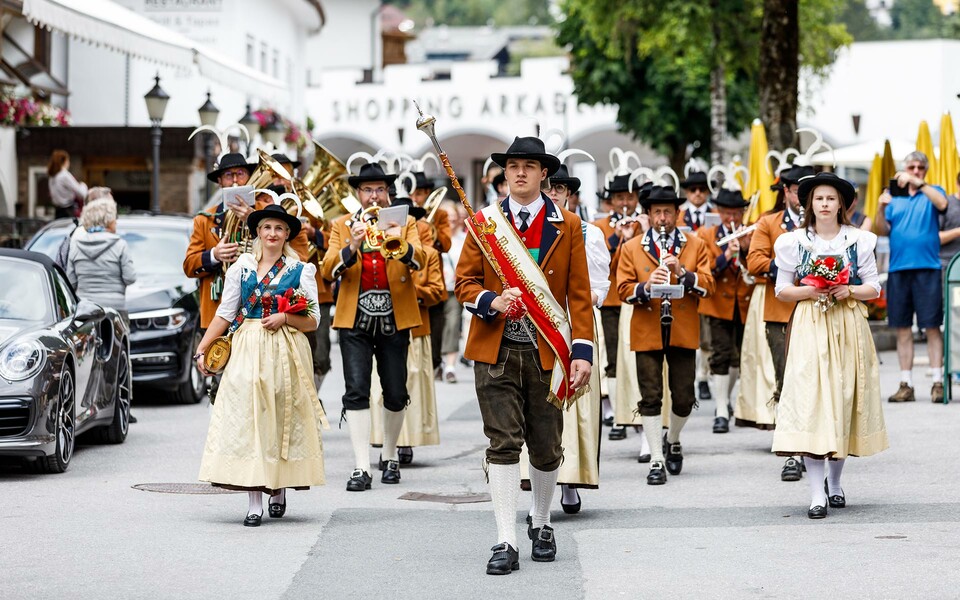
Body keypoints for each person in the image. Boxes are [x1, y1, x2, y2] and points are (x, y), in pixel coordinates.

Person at [455, 137, 593, 575]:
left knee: (547, 446)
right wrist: (491, 301)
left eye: (528, 166)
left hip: (548, 351)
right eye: (512, 166)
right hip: (496, 347)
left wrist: (582, 351)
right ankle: (505, 538)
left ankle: (542, 520)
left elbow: (580, 295)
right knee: (502, 443)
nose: (519, 173)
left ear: (542, 174)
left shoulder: (567, 224)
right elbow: (463, 283)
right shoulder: (484, 223)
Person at [195, 203, 327, 526]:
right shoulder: (241, 268)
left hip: (286, 349)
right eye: (267, 227)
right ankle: (255, 501)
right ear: (258, 232)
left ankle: (279, 485)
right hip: (247, 347)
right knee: (249, 416)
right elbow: (225, 313)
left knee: (281, 415)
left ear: (286, 236)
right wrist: (203, 347)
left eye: (279, 229)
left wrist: (285, 317)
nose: (272, 234)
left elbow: (314, 321)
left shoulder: (301, 270)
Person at [771, 172, 887, 519]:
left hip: (847, 323)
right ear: (810, 204)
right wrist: (811, 289)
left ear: (841, 205)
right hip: (810, 323)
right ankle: (815, 492)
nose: (824, 204)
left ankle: (835, 484)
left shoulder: (859, 240)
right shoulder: (794, 242)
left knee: (843, 397)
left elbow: (874, 287)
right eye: (818, 199)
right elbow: (781, 289)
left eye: (830, 199)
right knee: (812, 401)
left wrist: (847, 289)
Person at [322, 162, 424, 491]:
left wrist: (400, 242)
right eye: (368, 190)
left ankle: (391, 455)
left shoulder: (403, 222)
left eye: (380, 189)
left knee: (396, 391)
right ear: (358, 194)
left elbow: (422, 259)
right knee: (356, 391)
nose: (374, 195)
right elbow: (327, 270)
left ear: (388, 193)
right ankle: (361, 466)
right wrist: (351, 245)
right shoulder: (341, 225)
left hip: (396, 316)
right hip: (354, 321)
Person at [183, 153, 312, 401]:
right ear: (219, 181)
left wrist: (253, 221)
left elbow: (295, 256)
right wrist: (213, 255)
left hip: (260, 312)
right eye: (228, 175)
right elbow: (189, 265)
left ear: (250, 177)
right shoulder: (205, 219)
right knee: (221, 382)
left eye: (240, 174)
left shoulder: (267, 215)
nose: (234, 181)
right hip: (219, 309)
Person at [523, 164, 609, 514]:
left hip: (574, 322)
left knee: (575, 402)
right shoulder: (525, 228)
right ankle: (539, 486)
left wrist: (568, 302)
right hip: (536, 326)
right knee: (536, 401)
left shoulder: (587, 232)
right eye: (550, 187)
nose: (554, 193)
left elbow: (600, 289)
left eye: (560, 189)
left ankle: (571, 478)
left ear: (569, 194)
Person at [617, 185, 714, 485]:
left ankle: (673, 438)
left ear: (677, 213)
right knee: (650, 395)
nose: (662, 218)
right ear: (648, 214)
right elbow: (622, 289)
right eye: (657, 212)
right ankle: (657, 458)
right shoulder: (632, 247)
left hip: (682, 325)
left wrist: (682, 272)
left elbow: (708, 286)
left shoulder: (695, 244)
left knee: (684, 397)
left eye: (668, 212)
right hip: (647, 326)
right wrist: (647, 286)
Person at [746, 163, 813, 482]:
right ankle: (792, 452)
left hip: (820, 310)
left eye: (807, 189)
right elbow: (755, 260)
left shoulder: (824, 223)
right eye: (797, 189)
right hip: (781, 312)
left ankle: (817, 442)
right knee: (786, 379)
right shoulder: (769, 222)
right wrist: (787, 268)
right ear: (785, 191)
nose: (802, 196)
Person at [875, 151, 948, 403]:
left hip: (927, 268)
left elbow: (943, 204)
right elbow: (881, 229)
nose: (915, 171)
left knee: (931, 326)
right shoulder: (894, 198)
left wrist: (921, 184)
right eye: (911, 167)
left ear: (925, 170)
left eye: (920, 167)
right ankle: (906, 383)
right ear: (904, 168)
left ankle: (938, 382)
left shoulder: (932, 190)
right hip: (898, 270)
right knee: (902, 328)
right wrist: (880, 206)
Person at [696, 185, 754, 434]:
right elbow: (705, 269)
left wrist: (745, 249)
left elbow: (755, 266)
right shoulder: (706, 235)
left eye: (736, 213)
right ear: (718, 212)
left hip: (744, 301)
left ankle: (727, 398)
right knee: (719, 354)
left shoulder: (751, 233)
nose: (732, 219)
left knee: (738, 357)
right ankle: (720, 409)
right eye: (727, 213)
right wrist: (726, 255)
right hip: (717, 302)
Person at [591, 173, 641, 441]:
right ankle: (616, 415)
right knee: (611, 357)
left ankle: (636, 410)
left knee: (634, 358)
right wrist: (620, 239)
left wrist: (634, 235)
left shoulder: (644, 225)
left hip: (635, 300)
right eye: (620, 197)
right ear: (611, 200)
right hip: (610, 301)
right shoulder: (599, 226)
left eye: (630, 197)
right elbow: (601, 263)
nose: (625, 202)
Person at [679, 162, 716, 402]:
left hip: (706, 276)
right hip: (681, 278)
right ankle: (693, 377)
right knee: (688, 331)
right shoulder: (678, 214)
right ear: (687, 192)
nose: (698, 193)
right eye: (693, 189)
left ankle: (703, 375)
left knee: (707, 335)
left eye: (702, 189)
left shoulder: (716, 215)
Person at [65, 195, 137, 319]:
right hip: (116, 309)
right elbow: (130, 278)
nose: (116, 222)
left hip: (86, 308)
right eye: (114, 218)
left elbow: (71, 282)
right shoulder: (120, 245)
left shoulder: (76, 245)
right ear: (108, 220)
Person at [411, 171, 452, 380]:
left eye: (419, 193)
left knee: (435, 331)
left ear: (427, 193)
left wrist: (429, 224)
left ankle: (435, 363)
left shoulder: (441, 215)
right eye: (413, 193)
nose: (416, 198)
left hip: (433, 279)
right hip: (411, 279)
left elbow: (446, 244)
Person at [441, 201, 467, 382]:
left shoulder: (463, 239)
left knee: (452, 325)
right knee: (437, 328)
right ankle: (438, 363)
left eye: (453, 217)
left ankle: (450, 367)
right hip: (434, 290)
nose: (450, 220)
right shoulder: (434, 236)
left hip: (454, 289)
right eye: (446, 217)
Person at [47, 150, 88, 219]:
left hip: (58, 211)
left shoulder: (52, 177)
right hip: (68, 212)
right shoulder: (64, 175)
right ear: (65, 161)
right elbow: (82, 194)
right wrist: (83, 185)